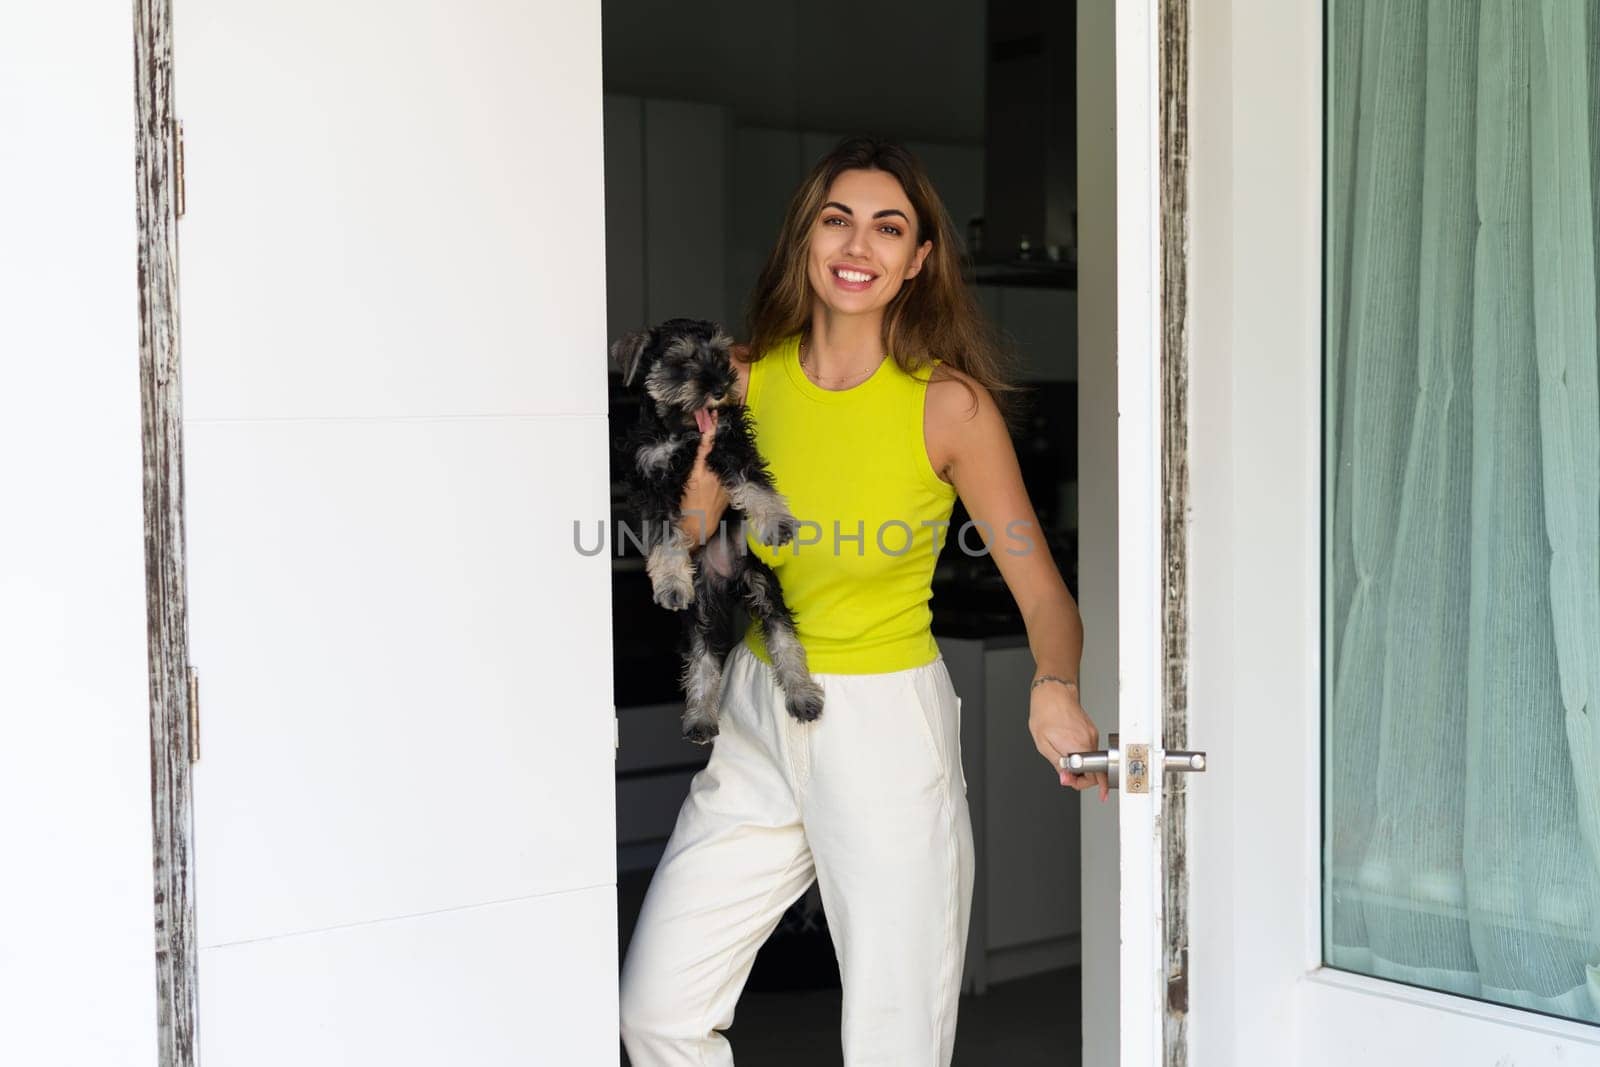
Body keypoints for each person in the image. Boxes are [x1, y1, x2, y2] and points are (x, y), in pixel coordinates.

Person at [618, 135, 1105, 1066]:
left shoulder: (947, 407)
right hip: (762, 713)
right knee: (657, 1011)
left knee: (895, 1043)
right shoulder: (748, 376)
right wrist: (705, 452)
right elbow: (680, 547)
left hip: (884, 727)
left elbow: (1044, 594)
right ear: (808, 236)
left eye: (889, 228)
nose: (859, 245)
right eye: (839, 219)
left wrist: (1055, 682)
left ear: (918, 261)